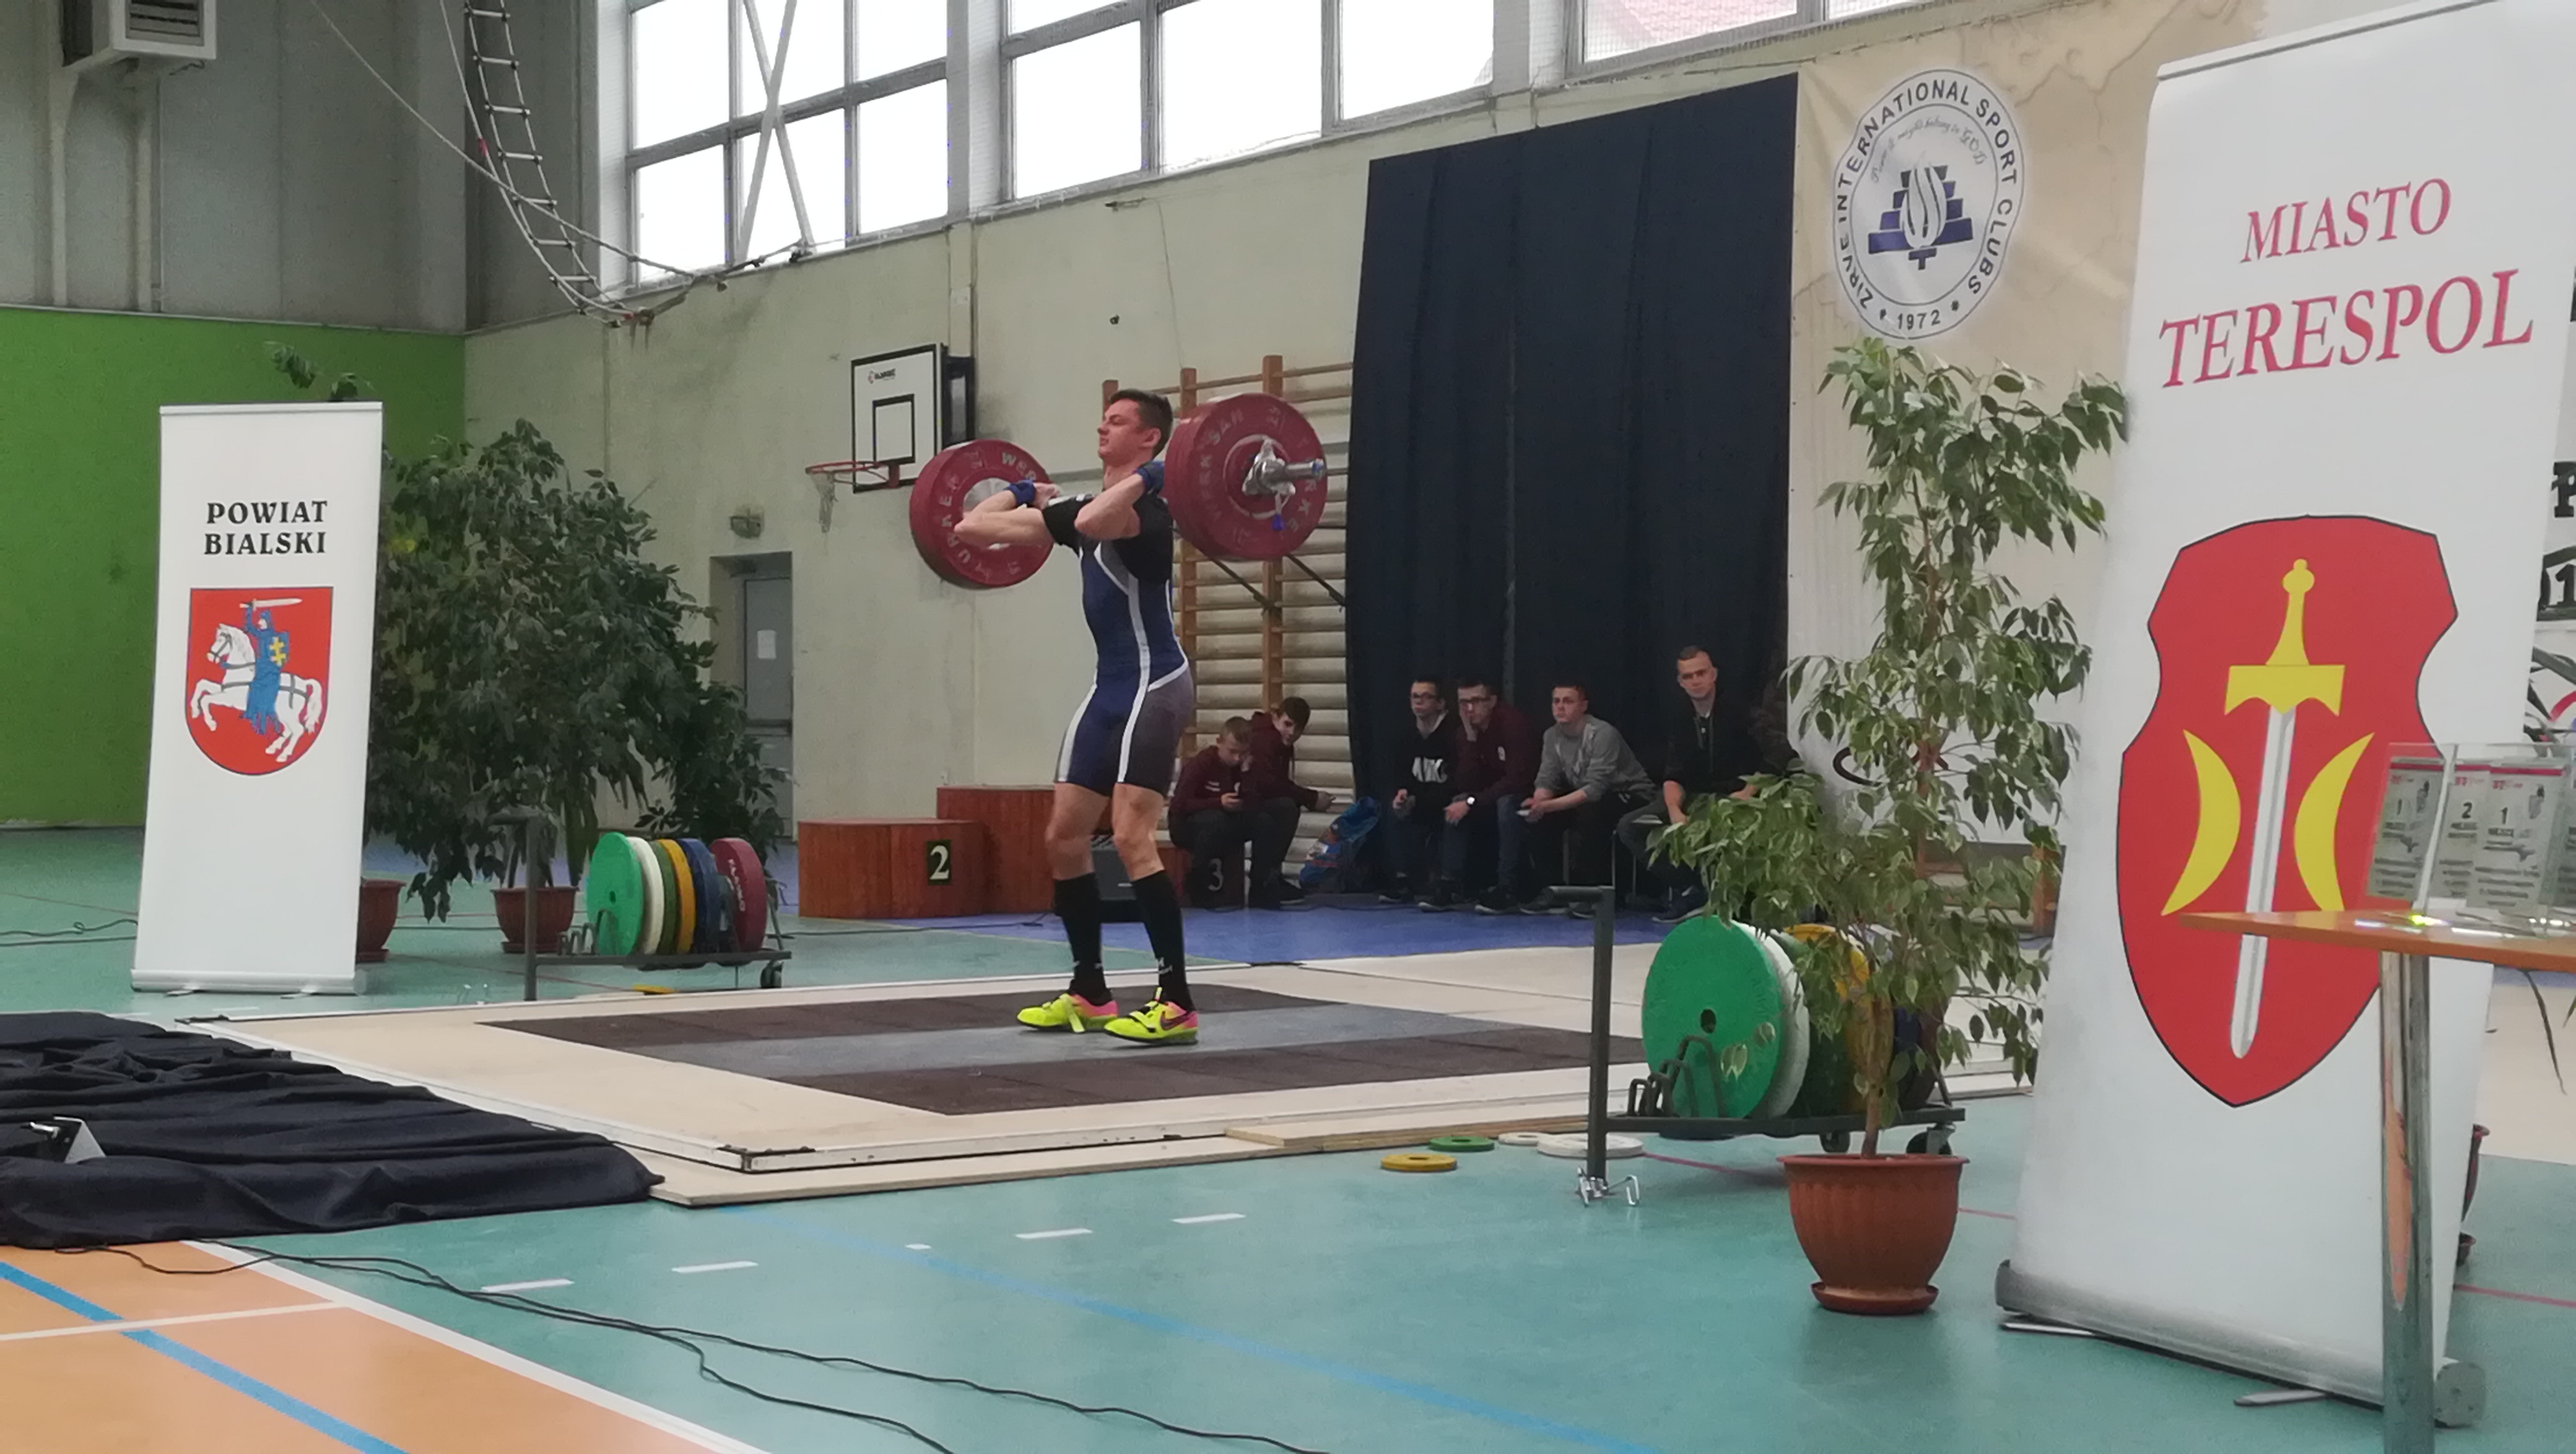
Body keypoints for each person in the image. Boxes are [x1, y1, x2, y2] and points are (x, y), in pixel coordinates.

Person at [952, 389, 1199, 1044]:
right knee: (1063, 836)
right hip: (1109, 688)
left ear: (1149, 438)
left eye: (1117, 421)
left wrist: (1155, 477)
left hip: (1156, 683)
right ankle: (1090, 991)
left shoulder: (1150, 514)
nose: (1101, 427)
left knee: (1131, 836)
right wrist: (1020, 489)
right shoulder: (1094, 509)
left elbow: (1094, 520)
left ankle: (1176, 1002)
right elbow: (971, 528)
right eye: (1103, 418)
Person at [1618, 646, 1768, 921]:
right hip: (1694, 795)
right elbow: (1673, 774)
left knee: (1724, 822)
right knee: (1631, 826)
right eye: (1688, 676)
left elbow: (1777, 756)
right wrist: (1674, 810)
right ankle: (1693, 888)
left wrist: (1748, 792)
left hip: (1736, 794)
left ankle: (1727, 895)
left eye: (1701, 673)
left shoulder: (1742, 711)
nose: (1696, 681)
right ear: (1680, 682)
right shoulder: (1679, 718)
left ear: (1714, 674)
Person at [1520, 682, 1655, 917]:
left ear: (1583, 706)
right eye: (1556, 701)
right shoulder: (1552, 735)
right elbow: (1547, 778)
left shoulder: (1602, 733)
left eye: (1568, 701)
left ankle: (1594, 894)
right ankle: (1555, 891)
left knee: (1592, 813)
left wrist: (1548, 806)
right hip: (1587, 794)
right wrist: (1539, 802)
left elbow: (1595, 788)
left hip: (1630, 794)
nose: (1560, 707)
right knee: (1541, 819)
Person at [1167, 717, 1294, 910]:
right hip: (1187, 825)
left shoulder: (1243, 765)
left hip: (1225, 820)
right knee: (1214, 820)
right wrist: (1218, 803)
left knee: (1264, 821)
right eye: (1232, 752)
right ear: (1219, 743)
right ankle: (1198, 887)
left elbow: (1254, 802)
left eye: (1242, 753)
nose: (1237, 758)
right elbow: (1179, 805)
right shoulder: (1202, 763)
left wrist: (1247, 775)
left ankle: (1260, 887)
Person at [1448, 676, 1542, 915]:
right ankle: (1452, 885)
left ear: (1491, 701)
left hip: (1524, 795)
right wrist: (1470, 740)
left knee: (1505, 805)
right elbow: (1465, 783)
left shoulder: (1513, 724)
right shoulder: (1466, 731)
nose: (1469, 709)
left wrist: (1473, 801)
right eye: (1463, 703)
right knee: (1457, 802)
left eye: (1476, 701)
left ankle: (1508, 887)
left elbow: (1517, 780)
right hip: (1488, 797)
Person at [1243, 695, 1336, 908]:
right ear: (1275, 717)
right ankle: (1265, 881)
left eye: (1298, 728)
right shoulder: (1265, 739)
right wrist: (1311, 798)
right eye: (1288, 724)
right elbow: (1270, 784)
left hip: (1251, 799)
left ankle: (1269, 878)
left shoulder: (1276, 739)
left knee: (1285, 806)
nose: (1292, 733)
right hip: (1242, 801)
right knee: (1285, 808)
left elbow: (1275, 785)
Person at [1378, 679, 1459, 907]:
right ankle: (1402, 880)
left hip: (1446, 801)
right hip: (1418, 802)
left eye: (1426, 697)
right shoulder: (1406, 734)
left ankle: (1448, 884)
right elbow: (1399, 775)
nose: (1419, 702)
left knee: (1458, 807)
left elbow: (1458, 783)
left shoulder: (1454, 735)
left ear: (1440, 703)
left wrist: (1419, 800)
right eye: (1415, 696)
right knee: (1391, 808)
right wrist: (1402, 794)